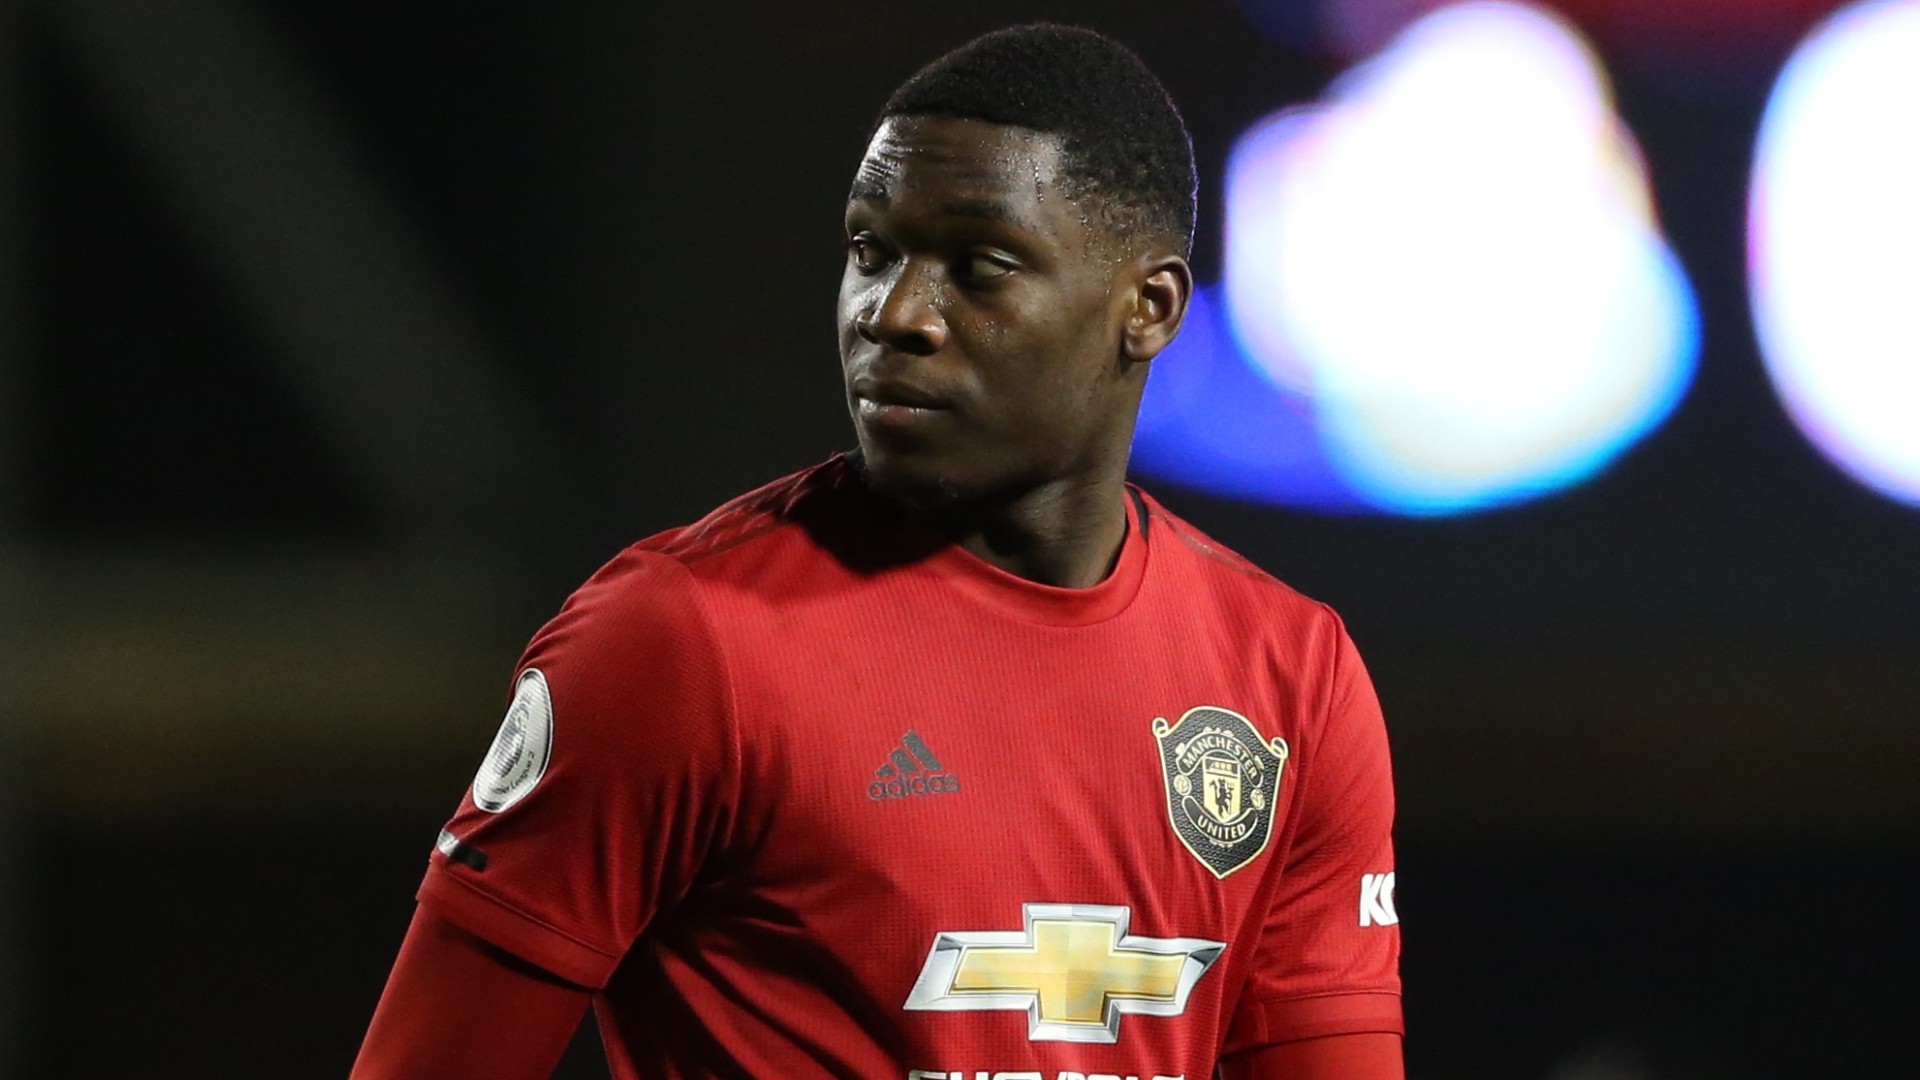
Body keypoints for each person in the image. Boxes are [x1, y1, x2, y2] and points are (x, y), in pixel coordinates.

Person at [353, 23, 1402, 1080]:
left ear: (1149, 308)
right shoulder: (680, 643)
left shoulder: (1290, 680)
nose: (893, 315)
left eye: (979, 268)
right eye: (871, 251)